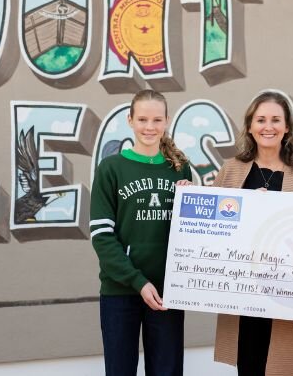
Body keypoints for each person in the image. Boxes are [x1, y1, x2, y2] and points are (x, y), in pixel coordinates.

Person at [213, 90, 293, 376]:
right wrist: (187, 198)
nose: (268, 127)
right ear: (250, 126)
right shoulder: (230, 171)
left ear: (287, 126)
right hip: (246, 303)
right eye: (261, 119)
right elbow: (212, 230)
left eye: (276, 120)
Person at [90, 90, 192, 376]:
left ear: (167, 121)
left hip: (168, 291)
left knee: (166, 371)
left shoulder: (180, 169)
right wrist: (138, 281)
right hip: (120, 289)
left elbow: (192, 233)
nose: (150, 127)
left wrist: (193, 202)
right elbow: (102, 236)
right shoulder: (111, 168)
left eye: (157, 119)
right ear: (130, 120)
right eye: (143, 119)